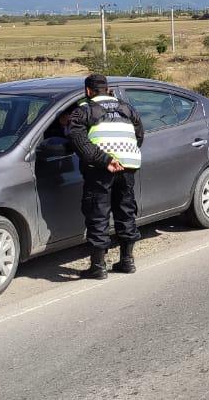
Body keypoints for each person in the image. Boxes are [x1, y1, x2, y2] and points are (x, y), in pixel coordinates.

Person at [67, 74, 145, 279]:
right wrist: (123, 157)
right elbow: (139, 135)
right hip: (128, 166)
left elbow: (79, 142)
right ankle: (127, 261)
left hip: (101, 170)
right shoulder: (127, 108)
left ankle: (98, 267)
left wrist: (105, 160)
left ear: (88, 91)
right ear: (107, 89)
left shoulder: (83, 111)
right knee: (126, 211)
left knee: (98, 214)